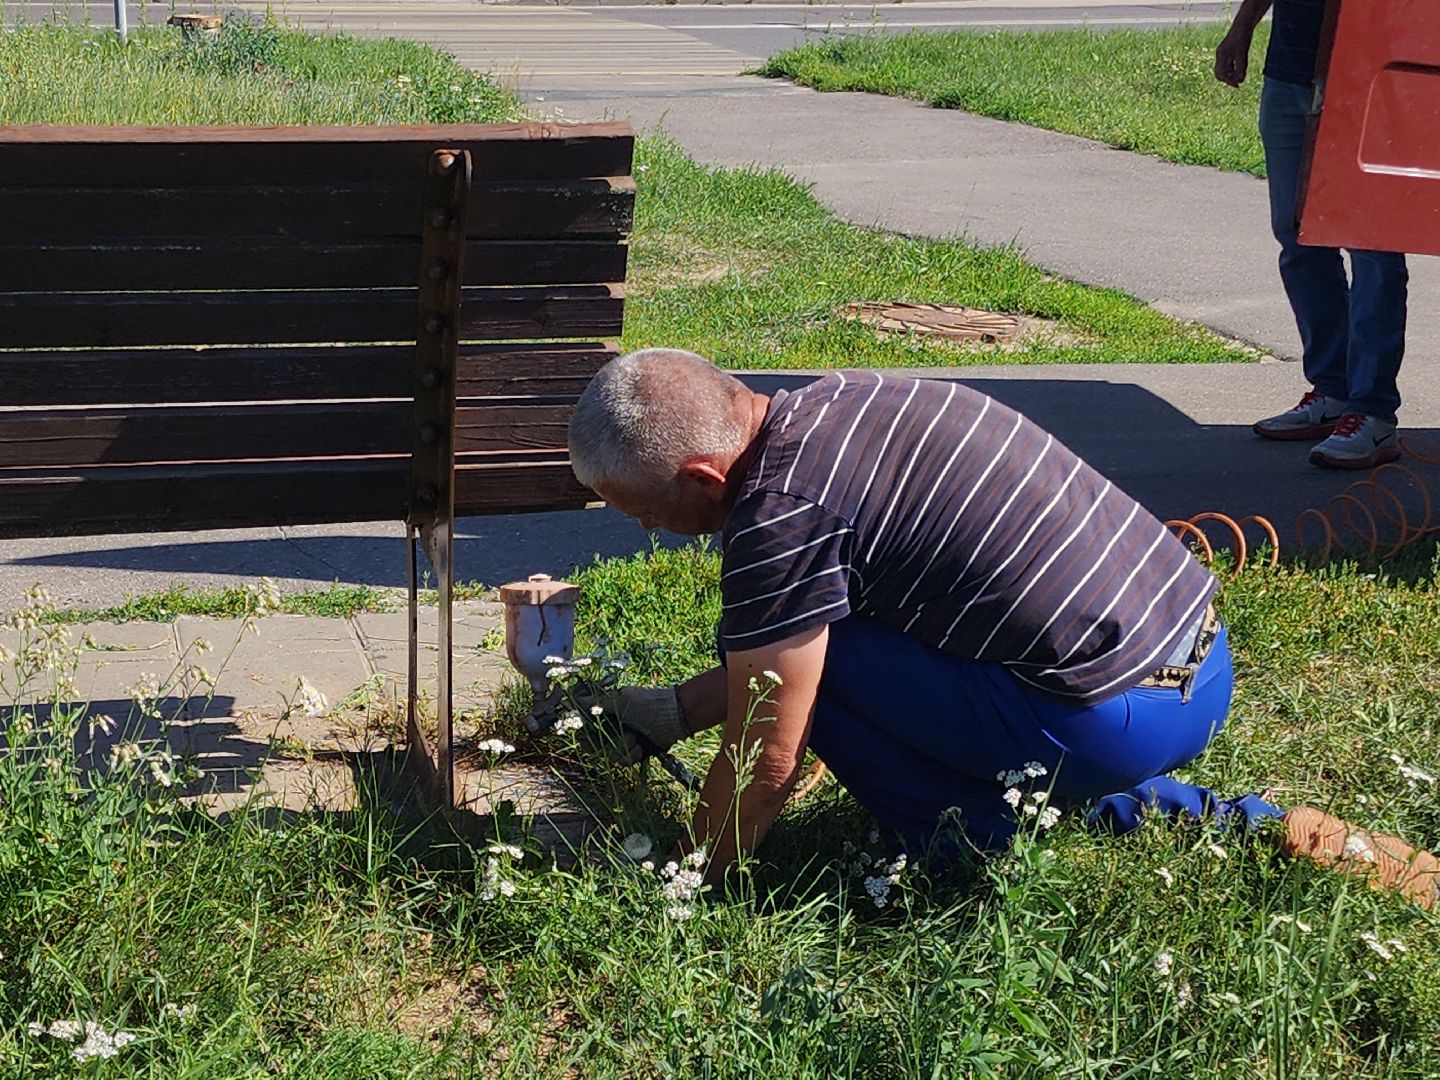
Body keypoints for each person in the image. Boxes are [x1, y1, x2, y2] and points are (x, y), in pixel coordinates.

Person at [567, 349, 1438, 906]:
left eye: (642, 509)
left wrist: (681, 884)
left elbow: (769, 754)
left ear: (703, 477)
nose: (647, 530)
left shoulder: (778, 518)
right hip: (1200, 662)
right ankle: (1237, 822)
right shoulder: (845, 401)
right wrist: (675, 712)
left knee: (804, 671)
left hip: (1114, 713)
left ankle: (960, 847)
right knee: (802, 641)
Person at [1216, 0, 1408, 470]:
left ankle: (1373, 412)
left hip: (1370, 75)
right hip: (1290, 73)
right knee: (1298, 236)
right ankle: (1333, 392)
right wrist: (1242, 28)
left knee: (1373, 245)